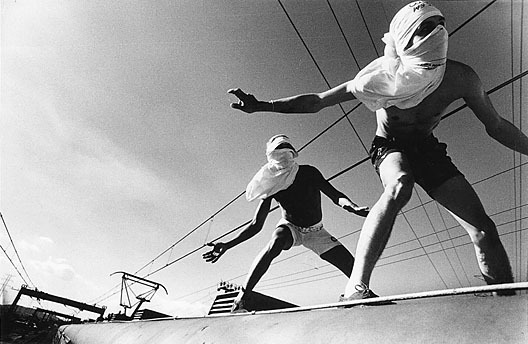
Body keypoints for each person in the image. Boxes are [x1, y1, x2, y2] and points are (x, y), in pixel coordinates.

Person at [227, 1, 528, 300]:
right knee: (400, 184)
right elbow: (317, 100)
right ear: (406, 37)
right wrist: (264, 106)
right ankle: (356, 286)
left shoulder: (460, 78)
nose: (437, 32)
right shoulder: (378, 79)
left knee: (484, 230)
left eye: (440, 25)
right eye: (424, 28)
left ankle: (504, 300)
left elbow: (497, 126)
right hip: (389, 146)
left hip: (427, 148)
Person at [203, 134, 369, 311]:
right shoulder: (272, 183)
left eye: (287, 148)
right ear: (271, 157)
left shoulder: (309, 172)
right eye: (278, 150)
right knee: (276, 240)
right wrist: (228, 245)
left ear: (293, 152)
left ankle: (358, 293)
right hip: (290, 228)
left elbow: (335, 195)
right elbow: (256, 225)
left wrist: (352, 207)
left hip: (317, 232)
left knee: (353, 267)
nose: (284, 154)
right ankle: (243, 298)